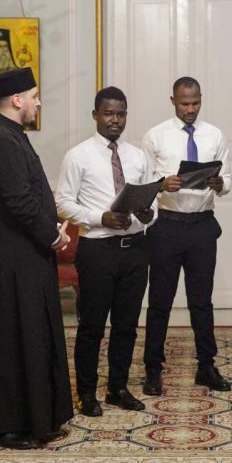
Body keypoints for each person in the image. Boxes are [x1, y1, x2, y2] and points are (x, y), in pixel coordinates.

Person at [0, 67, 73, 449]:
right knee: (15, 336)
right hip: (12, 255)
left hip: (26, 253)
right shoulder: (2, 140)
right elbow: (19, 202)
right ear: (17, 100)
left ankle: (39, 419)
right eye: (33, 96)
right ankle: (8, 427)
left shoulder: (11, 134)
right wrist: (52, 235)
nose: (38, 102)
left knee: (33, 332)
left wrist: (50, 232)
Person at [56, 86, 155, 417]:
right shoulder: (78, 156)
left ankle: (118, 388)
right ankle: (86, 393)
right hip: (98, 250)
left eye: (121, 114)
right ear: (95, 115)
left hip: (135, 249)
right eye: (109, 113)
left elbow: (149, 200)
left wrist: (148, 214)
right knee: (92, 326)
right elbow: (62, 203)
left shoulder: (137, 156)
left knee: (126, 325)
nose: (116, 120)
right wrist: (101, 217)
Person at [140, 76, 232, 395]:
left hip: (202, 226)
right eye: (184, 104)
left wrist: (221, 184)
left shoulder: (214, 135)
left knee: (201, 301)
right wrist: (162, 184)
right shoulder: (155, 136)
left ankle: (206, 366)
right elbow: (144, 182)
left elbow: (226, 178)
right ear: (173, 101)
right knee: (160, 301)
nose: (190, 109)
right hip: (166, 226)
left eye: (195, 103)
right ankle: (153, 369)